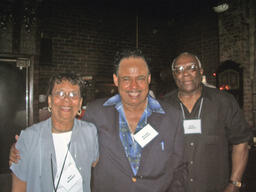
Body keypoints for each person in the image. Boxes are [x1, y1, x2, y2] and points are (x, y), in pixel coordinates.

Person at [10, 49, 187, 192]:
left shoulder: (172, 116)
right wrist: (23, 149)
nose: (134, 86)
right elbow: (67, 130)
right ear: (116, 80)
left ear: (148, 79)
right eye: (126, 79)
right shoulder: (96, 112)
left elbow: (179, 167)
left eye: (140, 78)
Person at [164, 52, 252, 192]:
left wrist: (234, 184)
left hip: (215, 187)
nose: (185, 73)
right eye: (179, 70)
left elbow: (241, 141)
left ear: (201, 71)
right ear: (174, 75)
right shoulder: (162, 106)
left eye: (191, 67)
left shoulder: (224, 102)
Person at [10, 73, 99, 192]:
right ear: (50, 101)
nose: (67, 99)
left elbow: (94, 162)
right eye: (60, 93)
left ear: (80, 103)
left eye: (73, 94)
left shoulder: (90, 132)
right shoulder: (29, 138)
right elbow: (18, 188)